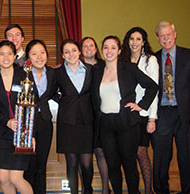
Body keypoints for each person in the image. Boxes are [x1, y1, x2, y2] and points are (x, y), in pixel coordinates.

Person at [91, 35, 158, 194]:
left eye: (113, 47)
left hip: (127, 123)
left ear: (119, 50)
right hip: (106, 124)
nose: (109, 51)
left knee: (129, 164)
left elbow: (152, 87)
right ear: (102, 50)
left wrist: (141, 106)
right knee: (112, 164)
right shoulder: (97, 71)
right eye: (106, 47)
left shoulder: (129, 68)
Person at [151, 21, 190, 194]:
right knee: (160, 159)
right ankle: (161, 191)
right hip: (162, 113)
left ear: (175, 34)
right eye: (161, 35)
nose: (165, 38)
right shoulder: (153, 59)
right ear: (157, 38)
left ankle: (188, 191)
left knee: (187, 157)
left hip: (187, 115)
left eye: (168, 34)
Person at [0, 40, 34, 194]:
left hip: (23, 134)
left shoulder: (24, 76)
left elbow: (33, 105)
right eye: (2, 54)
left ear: (14, 56)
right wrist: (7, 122)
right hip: (2, 134)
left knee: (15, 178)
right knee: (3, 178)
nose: (5, 57)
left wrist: (31, 134)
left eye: (9, 53)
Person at [121, 27, 159, 194]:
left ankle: (149, 190)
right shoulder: (122, 61)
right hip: (127, 115)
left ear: (144, 41)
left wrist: (152, 118)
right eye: (131, 38)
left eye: (138, 39)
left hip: (143, 115)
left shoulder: (150, 60)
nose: (134, 42)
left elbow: (154, 90)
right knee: (129, 154)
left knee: (141, 152)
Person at [54, 39, 94, 194]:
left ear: (79, 52)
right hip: (67, 122)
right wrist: (65, 101)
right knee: (71, 163)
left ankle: (87, 190)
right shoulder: (57, 72)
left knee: (86, 164)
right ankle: (73, 192)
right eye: (66, 52)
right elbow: (50, 93)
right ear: (63, 55)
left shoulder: (91, 70)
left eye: (74, 50)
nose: (71, 54)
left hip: (87, 121)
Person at [23, 40, 56, 194]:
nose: (39, 56)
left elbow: (56, 93)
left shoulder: (52, 73)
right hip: (27, 124)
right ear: (28, 57)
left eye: (42, 52)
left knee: (41, 165)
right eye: (34, 53)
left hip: (45, 123)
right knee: (29, 166)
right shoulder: (22, 74)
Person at [81, 36, 109, 194]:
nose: (89, 48)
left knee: (101, 151)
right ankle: (86, 189)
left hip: (102, 115)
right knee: (83, 154)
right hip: (83, 116)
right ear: (81, 50)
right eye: (85, 46)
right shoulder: (76, 66)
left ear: (96, 48)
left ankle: (106, 189)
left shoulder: (105, 65)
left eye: (91, 45)